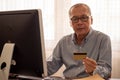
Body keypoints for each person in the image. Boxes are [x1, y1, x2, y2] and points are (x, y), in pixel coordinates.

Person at [47, 3, 112, 79]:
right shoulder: (63, 42)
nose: (79, 22)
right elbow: (51, 66)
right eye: (75, 19)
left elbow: (107, 70)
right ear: (70, 23)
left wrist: (93, 70)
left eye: (84, 18)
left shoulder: (103, 39)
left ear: (91, 20)